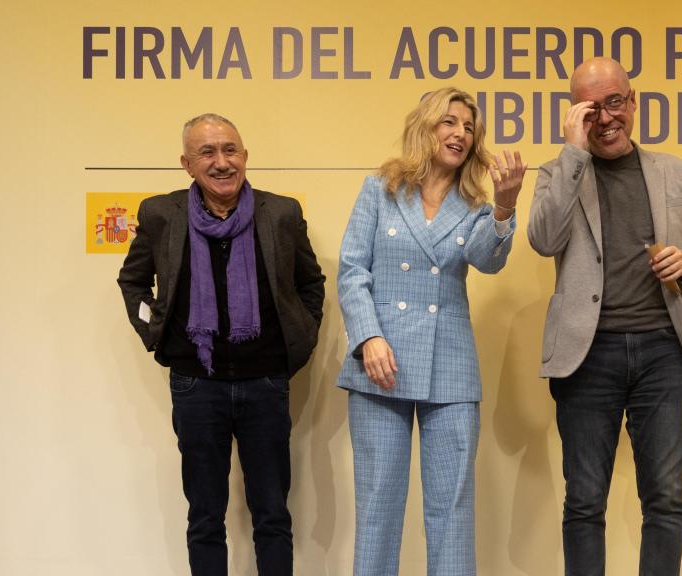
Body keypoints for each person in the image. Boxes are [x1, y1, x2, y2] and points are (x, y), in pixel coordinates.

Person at [528, 58, 682, 575]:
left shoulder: (672, 172)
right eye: (591, 109)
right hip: (587, 356)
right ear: (575, 114)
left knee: (664, 499)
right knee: (585, 502)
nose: (607, 117)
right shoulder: (557, 171)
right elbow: (544, 239)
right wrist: (573, 152)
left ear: (633, 102)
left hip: (662, 353)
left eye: (615, 101)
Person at [117, 113, 325, 576]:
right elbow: (132, 281)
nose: (221, 162)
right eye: (207, 152)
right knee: (205, 517)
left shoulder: (282, 213)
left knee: (273, 515)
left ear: (245, 157)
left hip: (266, 385)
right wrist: (155, 333)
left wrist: (302, 336)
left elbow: (311, 284)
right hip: (196, 387)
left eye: (230, 150)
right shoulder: (160, 214)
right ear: (187, 164)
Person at [337, 87, 526, 576]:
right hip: (380, 364)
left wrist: (504, 208)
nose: (460, 133)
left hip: (450, 368)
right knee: (377, 504)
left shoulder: (476, 206)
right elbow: (353, 271)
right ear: (425, 127)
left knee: (452, 508)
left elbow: (488, 260)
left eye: (468, 127)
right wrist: (368, 338)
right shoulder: (378, 189)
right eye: (449, 122)